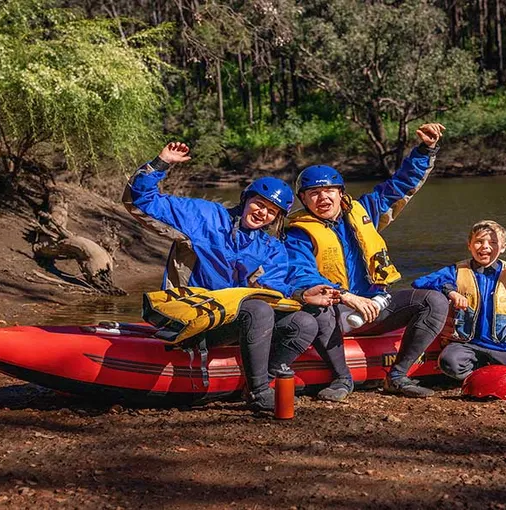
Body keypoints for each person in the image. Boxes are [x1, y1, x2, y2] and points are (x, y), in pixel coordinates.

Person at [123, 142, 338, 411]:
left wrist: (301, 294)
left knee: (304, 322)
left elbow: (276, 287)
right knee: (258, 310)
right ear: (246, 199)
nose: (262, 213)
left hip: (232, 322)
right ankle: (260, 394)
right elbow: (142, 200)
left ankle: (259, 379)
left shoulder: (270, 247)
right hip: (194, 318)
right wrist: (161, 163)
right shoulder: (204, 217)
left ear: (276, 218)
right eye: (259, 204)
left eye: (271, 211)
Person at [284, 123, 451, 400]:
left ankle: (397, 376)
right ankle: (341, 379)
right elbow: (303, 277)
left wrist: (426, 149)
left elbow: (401, 184)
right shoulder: (297, 234)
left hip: (376, 306)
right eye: (313, 193)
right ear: (303, 199)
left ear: (340, 193)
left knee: (433, 301)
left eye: (329, 191)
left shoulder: (366, 210)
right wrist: (345, 296)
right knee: (318, 309)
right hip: (336, 313)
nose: (323, 198)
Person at [411, 220, 506, 380]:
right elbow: (421, 283)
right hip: (467, 344)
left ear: (503, 248)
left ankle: (487, 376)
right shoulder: (456, 271)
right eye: (479, 242)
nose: (485, 247)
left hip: (505, 346)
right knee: (449, 362)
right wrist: (451, 292)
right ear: (469, 245)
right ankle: (481, 378)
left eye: (493, 242)